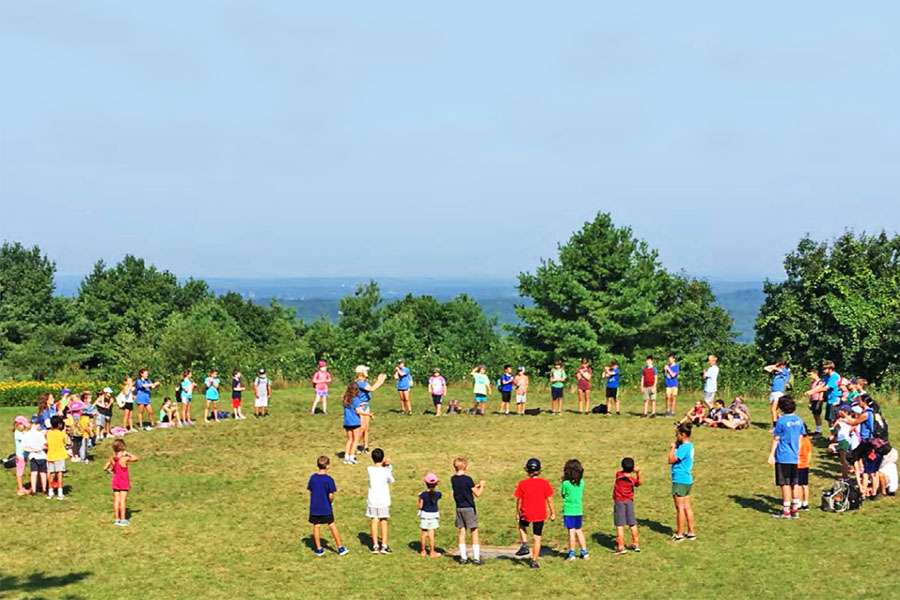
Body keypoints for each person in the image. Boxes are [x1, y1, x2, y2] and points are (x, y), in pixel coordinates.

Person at [514, 457, 556, 569]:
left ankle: (524, 544)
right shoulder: (544, 483)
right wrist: (553, 513)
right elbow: (550, 499)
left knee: (522, 525)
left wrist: (518, 513)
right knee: (537, 537)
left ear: (527, 470)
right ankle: (534, 561)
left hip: (526, 513)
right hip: (539, 514)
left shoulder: (522, 484)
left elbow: (519, 500)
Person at [767, 396, 804, 519]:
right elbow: (800, 437)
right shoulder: (799, 420)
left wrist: (771, 454)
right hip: (795, 456)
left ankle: (786, 511)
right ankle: (795, 509)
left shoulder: (781, 421)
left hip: (783, 456)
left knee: (785, 483)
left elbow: (776, 438)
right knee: (795, 482)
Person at [307, 456, 349, 556]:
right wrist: (331, 502)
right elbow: (330, 495)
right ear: (328, 466)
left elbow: (311, 490)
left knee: (316, 526)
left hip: (315, 508)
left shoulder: (313, 477)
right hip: (326, 508)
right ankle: (340, 548)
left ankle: (318, 549)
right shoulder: (329, 480)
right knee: (331, 524)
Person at [451, 456, 485, 565]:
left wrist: (475, 485)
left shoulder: (453, 479)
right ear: (465, 467)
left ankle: (463, 557)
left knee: (462, 532)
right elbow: (477, 494)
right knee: (474, 531)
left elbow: (465, 487)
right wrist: (482, 486)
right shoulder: (468, 479)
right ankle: (476, 558)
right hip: (469, 508)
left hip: (459, 508)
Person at [669, 424, 696, 541]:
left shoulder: (683, 448)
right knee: (687, 507)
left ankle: (680, 533)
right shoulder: (690, 446)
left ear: (683, 435)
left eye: (677, 434)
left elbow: (671, 460)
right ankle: (691, 531)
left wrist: (673, 448)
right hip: (687, 479)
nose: (676, 436)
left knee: (679, 508)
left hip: (679, 479)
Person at [104, 438, 138, 526]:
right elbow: (136, 458)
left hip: (115, 480)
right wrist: (127, 453)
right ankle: (123, 519)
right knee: (122, 501)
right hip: (123, 481)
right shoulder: (124, 458)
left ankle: (117, 519)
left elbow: (105, 467)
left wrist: (110, 471)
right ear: (122, 447)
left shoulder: (112, 458)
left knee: (116, 500)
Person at [353, 365, 387, 455]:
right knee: (362, 428)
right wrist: (380, 381)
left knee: (366, 428)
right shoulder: (360, 382)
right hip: (361, 406)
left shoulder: (364, 381)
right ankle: (355, 446)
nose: (367, 372)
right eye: (365, 371)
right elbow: (372, 389)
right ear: (361, 373)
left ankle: (366, 447)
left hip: (366, 406)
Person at [366, 448, 394, 554]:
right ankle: (384, 545)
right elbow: (391, 480)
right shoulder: (386, 471)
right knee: (383, 521)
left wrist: (384, 464)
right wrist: (388, 465)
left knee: (374, 520)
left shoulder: (370, 469)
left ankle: (375, 545)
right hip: (383, 500)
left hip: (372, 499)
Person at [560, 458, 589, 561]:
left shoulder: (565, 484)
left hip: (569, 511)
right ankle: (584, 552)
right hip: (578, 510)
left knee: (571, 531)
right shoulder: (582, 482)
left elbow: (563, 494)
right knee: (579, 530)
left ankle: (571, 553)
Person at [613, 457, 641, 555]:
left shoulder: (618, 475)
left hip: (619, 502)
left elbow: (622, 471)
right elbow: (639, 483)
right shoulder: (632, 480)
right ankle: (636, 543)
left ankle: (621, 546)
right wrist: (637, 473)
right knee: (632, 523)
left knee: (620, 525)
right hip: (629, 502)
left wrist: (630, 469)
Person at [807, 360, 841, 425]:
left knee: (834, 419)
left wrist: (812, 392)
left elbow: (826, 388)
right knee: (829, 419)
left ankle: (836, 434)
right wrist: (811, 391)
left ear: (830, 368)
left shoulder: (835, 376)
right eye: (823, 368)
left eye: (825, 368)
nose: (823, 370)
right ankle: (833, 434)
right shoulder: (827, 377)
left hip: (835, 400)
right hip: (829, 400)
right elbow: (821, 385)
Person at [417, 472, 442, 558]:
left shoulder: (422, 495)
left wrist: (419, 499)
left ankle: (423, 551)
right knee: (431, 534)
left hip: (424, 515)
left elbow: (420, 505)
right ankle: (432, 552)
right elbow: (437, 496)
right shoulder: (438, 494)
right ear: (436, 484)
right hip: (433, 515)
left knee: (424, 533)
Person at [46, 415, 69, 500]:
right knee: (60, 474)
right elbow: (66, 442)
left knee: (51, 474)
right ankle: (60, 492)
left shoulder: (48, 433)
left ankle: (50, 491)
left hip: (50, 456)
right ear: (59, 424)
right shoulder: (61, 433)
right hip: (60, 456)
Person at [22, 419, 47, 496]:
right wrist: (39, 449)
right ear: (37, 425)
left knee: (34, 473)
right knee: (43, 473)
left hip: (32, 456)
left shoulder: (26, 434)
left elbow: (24, 447)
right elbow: (45, 445)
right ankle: (44, 489)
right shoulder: (40, 434)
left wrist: (32, 450)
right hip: (42, 456)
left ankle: (33, 489)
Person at [764, 360, 791, 426]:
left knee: (773, 410)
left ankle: (775, 427)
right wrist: (775, 365)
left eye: (780, 365)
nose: (779, 366)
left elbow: (779, 370)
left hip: (779, 393)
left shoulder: (785, 371)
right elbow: (766, 368)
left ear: (783, 365)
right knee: (776, 411)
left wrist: (776, 367)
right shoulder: (776, 372)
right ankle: (783, 422)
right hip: (773, 392)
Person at [13, 416, 30, 495]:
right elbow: (25, 439)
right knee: (20, 472)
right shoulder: (17, 433)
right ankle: (20, 489)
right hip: (20, 457)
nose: (25, 427)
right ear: (18, 424)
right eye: (24, 425)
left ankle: (21, 487)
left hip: (24, 456)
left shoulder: (21, 432)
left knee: (21, 471)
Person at [797, 427, 812, 510]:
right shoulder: (807, 440)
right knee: (805, 485)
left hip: (799, 465)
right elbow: (809, 452)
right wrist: (808, 462)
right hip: (805, 465)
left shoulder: (798, 440)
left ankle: (799, 502)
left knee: (798, 485)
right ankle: (805, 502)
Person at [806, 370, 824, 436]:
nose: (810, 376)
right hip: (813, 400)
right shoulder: (812, 382)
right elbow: (811, 393)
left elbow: (821, 392)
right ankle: (817, 430)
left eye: (811, 374)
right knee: (815, 415)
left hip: (818, 400)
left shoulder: (820, 382)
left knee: (818, 415)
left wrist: (819, 402)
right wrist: (810, 402)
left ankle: (819, 431)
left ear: (815, 374)